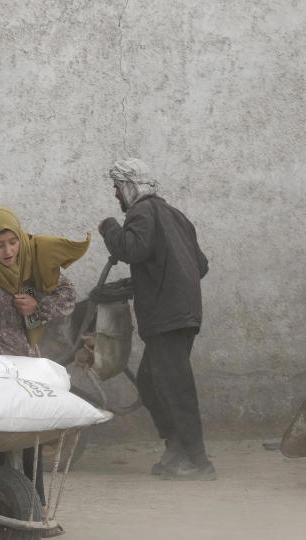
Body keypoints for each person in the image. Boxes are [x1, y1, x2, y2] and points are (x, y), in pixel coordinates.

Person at [0, 206, 87, 535]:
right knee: (1, 439)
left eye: (13, 242)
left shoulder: (32, 264)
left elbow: (67, 297)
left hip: (28, 365)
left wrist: (37, 306)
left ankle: (29, 505)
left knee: (30, 437)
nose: (8, 251)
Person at [98, 158, 213, 480]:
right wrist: (154, 279)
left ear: (130, 187)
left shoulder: (142, 212)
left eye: (118, 188)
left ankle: (198, 461)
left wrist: (109, 227)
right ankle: (177, 447)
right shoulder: (176, 216)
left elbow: (131, 249)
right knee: (150, 382)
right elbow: (199, 265)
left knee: (175, 387)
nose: (116, 195)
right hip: (182, 313)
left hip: (167, 315)